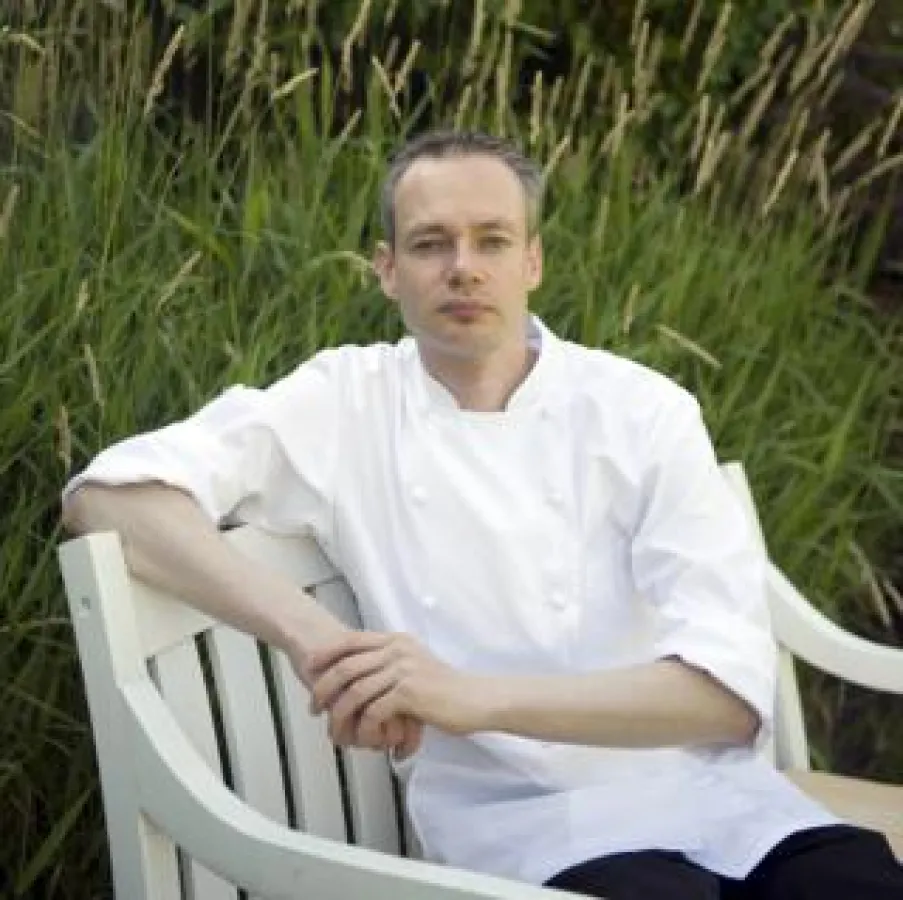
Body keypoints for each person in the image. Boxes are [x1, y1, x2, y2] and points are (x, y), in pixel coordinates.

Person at [61, 129, 903, 899]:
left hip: (717, 799)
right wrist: (314, 640)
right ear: (386, 268)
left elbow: (723, 697)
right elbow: (109, 497)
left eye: (491, 240)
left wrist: (468, 697)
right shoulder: (346, 402)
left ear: (531, 261)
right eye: (431, 243)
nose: (462, 267)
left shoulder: (642, 410)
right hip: (523, 834)